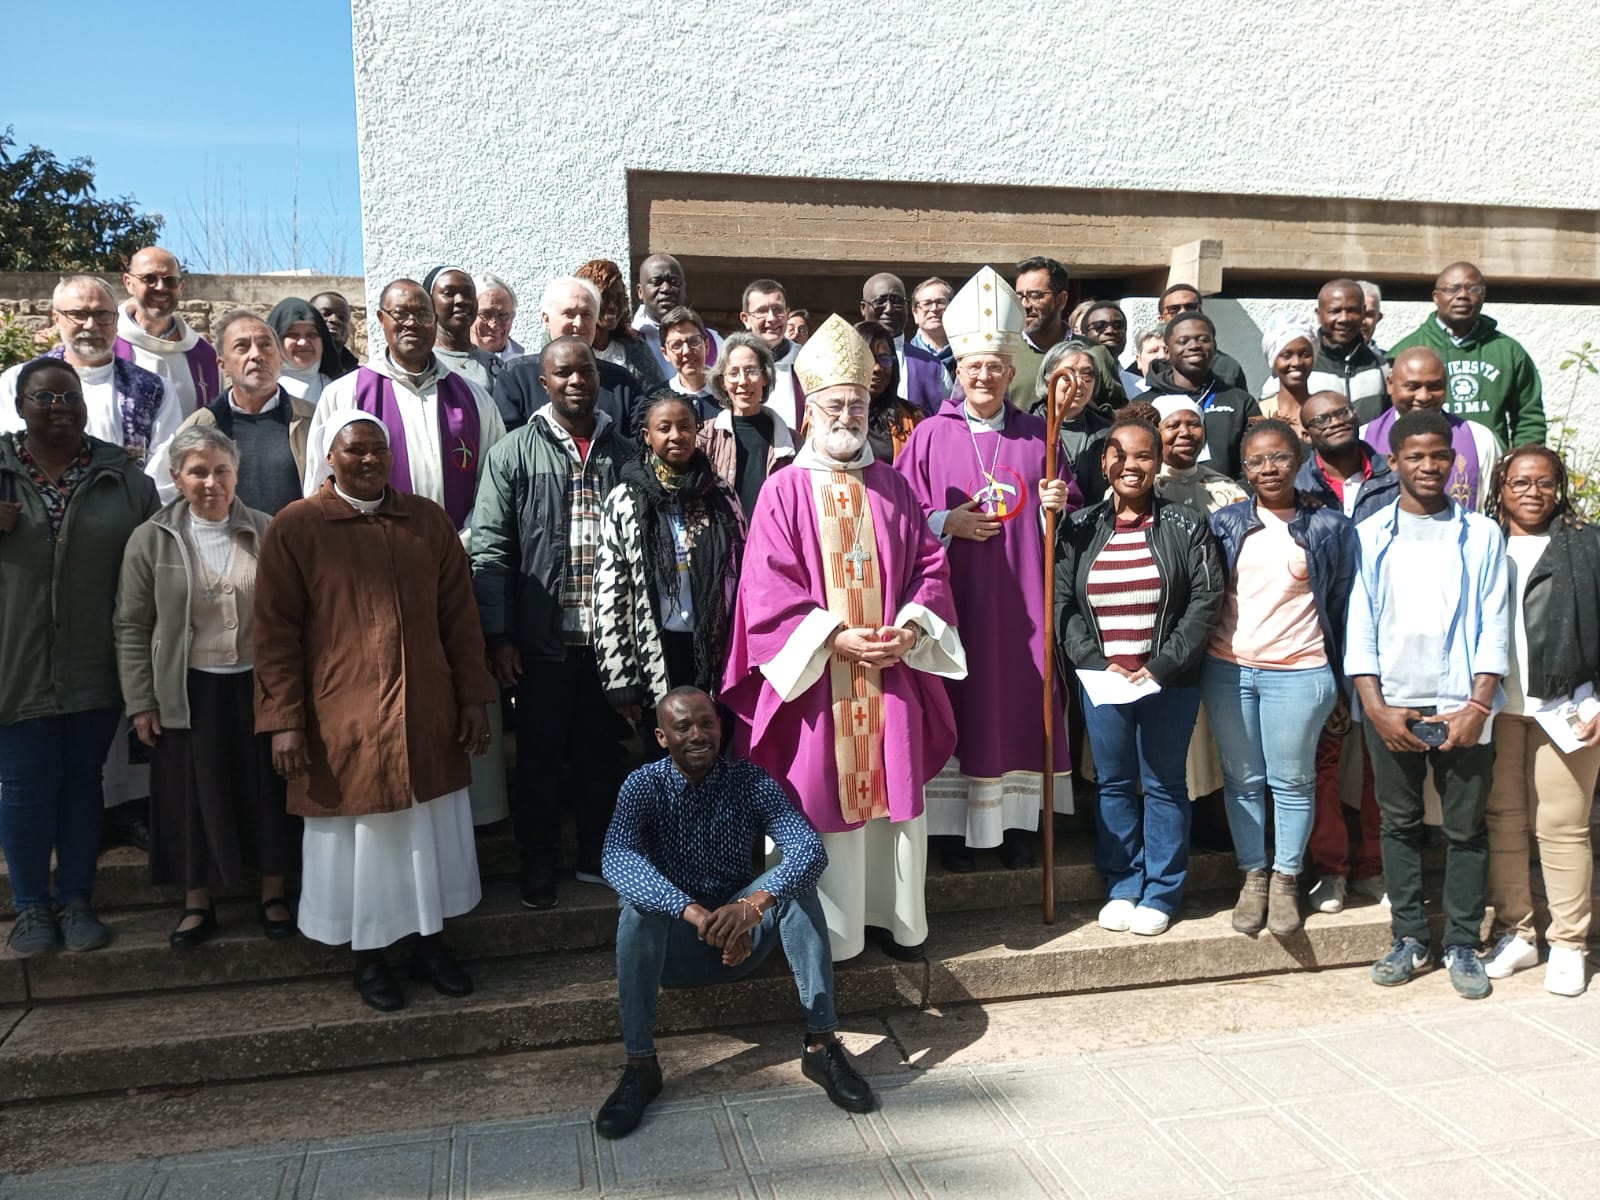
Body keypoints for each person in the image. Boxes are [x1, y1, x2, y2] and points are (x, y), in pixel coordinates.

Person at [722, 315, 966, 962]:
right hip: (818, 681)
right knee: (820, 796)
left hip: (889, 672)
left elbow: (930, 569)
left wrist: (911, 626)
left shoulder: (894, 485)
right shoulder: (783, 490)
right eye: (835, 405)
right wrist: (836, 638)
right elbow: (765, 590)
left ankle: (895, 922)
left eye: (858, 404)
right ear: (809, 412)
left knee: (893, 798)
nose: (848, 416)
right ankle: (829, 934)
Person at [254, 413, 497, 1011]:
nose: (369, 460)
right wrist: (283, 720)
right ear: (329, 457)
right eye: (355, 450)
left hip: (426, 711)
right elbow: (275, 634)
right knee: (363, 848)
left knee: (426, 838)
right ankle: (369, 958)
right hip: (343, 719)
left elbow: (460, 619)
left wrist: (473, 698)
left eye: (378, 450)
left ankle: (430, 946)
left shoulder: (426, 522)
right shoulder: (297, 527)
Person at [594, 687, 873, 1139]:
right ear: (662, 737)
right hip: (675, 948)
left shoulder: (750, 780)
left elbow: (808, 849)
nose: (698, 735)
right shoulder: (643, 785)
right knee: (636, 909)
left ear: (721, 728)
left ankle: (821, 1044)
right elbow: (617, 859)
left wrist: (751, 908)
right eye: (683, 727)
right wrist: (695, 914)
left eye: (707, 723)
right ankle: (640, 1064)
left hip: (744, 942)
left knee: (797, 885)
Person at [897, 266, 1079, 872]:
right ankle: (953, 830)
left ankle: (1018, 826)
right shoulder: (929, 436)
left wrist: (1058, 503)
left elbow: (1071, 509)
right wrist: (945, 521)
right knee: (960, 704)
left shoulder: (1039, 436)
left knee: (1021, 702)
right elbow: (896, 515)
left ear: (1010, 370)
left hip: (1023, 601)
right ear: (959, 369)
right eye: (973, 366)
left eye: (995, 367)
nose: (983, 376)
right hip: (957, 603)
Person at [0, 358, 160, 956]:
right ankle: (30, 908)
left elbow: (152, 571)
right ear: (20, 405)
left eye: (70, 397)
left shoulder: (123, 478)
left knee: (82, 783)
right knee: (23, 786)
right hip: (14, 662)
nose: (60, 408)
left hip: (95, 659)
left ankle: (76, 900)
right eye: (44, 398)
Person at [1347, 409, 1507, 999]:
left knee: (1465, 828)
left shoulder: (1481, 534)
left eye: (1439, 455)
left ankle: (1463, 941)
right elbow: (1359, 626)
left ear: (1454, 460)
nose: (1428, 465)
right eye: (1415, 456)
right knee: (1399, 823)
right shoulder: (1369, 535)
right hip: (1393, 704)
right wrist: (1375, 706)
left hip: (1462, 705)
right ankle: (1410, 936)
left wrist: (1477, 706)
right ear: (1394, 462)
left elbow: (1493, 622)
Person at [471, 336, 636, 909]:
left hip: (609, 643)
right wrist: (500, 635)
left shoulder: (627, 452)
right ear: (544, 383)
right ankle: (537, 862)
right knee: (539, 759)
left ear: (598, 377)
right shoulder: (513, 453)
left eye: (584, 371)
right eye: (562, 373)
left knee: (601, 756)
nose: (576, 381)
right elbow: (490, 548)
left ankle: (597, 856)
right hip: (541, 642)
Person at [115, 426, 292, 948]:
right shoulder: (151, 538)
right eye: (198, 472)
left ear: (237, 475)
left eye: (221, 470)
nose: (211, 482)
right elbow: (131, 625)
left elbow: (290, 618)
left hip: (257, 685)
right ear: (176, 478)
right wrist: (141, 701)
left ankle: (274, 893)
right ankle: (197, 903)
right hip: (187, 689)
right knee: (190, 796)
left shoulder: (267, 530)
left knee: (265, 790)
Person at [1055, 415, 1224, 937]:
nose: (1132, 465)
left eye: (1144, 455)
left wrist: (1162, 664)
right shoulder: (1079, 526)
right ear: (1105, 462)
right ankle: (1124, 883)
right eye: (1120, 455)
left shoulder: (1186, 524)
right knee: (1113, 784)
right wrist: (1094, 661)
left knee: (1165, 783)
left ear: (1159, 462)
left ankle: (1162, 890)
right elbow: (1062, 602)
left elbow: (1206, 600)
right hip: (1104, 680)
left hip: (1167, 680)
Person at [1204, 421, 1356, 936]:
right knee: (1242, 780)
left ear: (1299, 460)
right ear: (1243, 469)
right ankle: (1254, 875)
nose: (1268, 468)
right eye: (1256, 461)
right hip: (1229, 670)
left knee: (1292, 781)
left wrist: (1343, 682)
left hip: (1299, 672)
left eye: (1279, 458)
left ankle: (1287, 877)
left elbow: (1341, 604)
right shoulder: (1226, 523)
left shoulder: (1329, 526)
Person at [1480, 447, 1600, 996]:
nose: (1533, 492)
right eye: (1521, 482)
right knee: (1503, 820)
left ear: (1559, 488)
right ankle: (1518, 933)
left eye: (1545, 483)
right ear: (1500, 487)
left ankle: (1570, 944)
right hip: (1496, 706)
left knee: (1563, 826)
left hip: (1569, 706)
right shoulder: (1481, 542)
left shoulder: (1587, 544)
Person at [1294, 391, 1396, 914]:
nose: (1333, 423)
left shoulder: (1394, 479)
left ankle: (1376, 866)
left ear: (1356, 417)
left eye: (1340, 413)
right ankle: (1331, 870)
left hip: (1387, 642)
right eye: (1320, 420)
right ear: (1306, 433)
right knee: (1324, 763)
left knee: (1383, 761)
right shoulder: (1296, 486)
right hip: (1324, 641)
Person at [304, 279, 506, 532]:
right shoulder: (344, 394)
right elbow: (320, 484)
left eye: (423, 314)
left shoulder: (474, 398)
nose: (412, 323)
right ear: (381, 318)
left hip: (460, 547)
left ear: (435, 321)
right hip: (370, 546)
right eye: (400, 313)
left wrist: (467, 538)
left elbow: (495, 482)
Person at [595, 393, 747, 726]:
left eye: (685, 426)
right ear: (647, 435)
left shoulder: (721, 494)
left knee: (712, 742)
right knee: (665, 745)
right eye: (664, 428)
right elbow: (611, 593)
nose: (676, 435)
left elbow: (746, 576)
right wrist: (620, 677)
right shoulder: (624, 500)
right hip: (656, 650)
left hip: (716, 650)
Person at [0, 275, 180, 476]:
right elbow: (9, 455)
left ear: (116, 321)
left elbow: (164, 468)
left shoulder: (154, 388)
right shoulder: (18, 381)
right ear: (57, 319)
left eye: (102, 314)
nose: (91, 325)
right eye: (78, 314)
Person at [163, 310, 313, 516]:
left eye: (265, 345)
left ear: (280, 360)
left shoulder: (311, 420)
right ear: (222, 364)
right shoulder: (197, 427)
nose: (256, 355)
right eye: (242, 346)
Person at [1389, 261, 1545, 449]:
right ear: (1436, 297)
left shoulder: (1508, 351)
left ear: (1483, 296)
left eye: (1473, 289)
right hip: (1426, 459)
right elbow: (1388, 415)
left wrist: (1520, 458)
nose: (1462, 295)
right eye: (1452, 289)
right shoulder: (1407, 352)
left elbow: (1529, 416)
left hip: (1489, 460)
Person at [496, 276, 648, 433]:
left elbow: (639, 439)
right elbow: (508, 439)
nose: (579, 323)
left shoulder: (622, 383)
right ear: (546, 319)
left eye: (586, 314)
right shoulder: (517, 376)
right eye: (569, 314)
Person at [1361, 346, 1498, 511]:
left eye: (1434, 386)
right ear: (1390, 384)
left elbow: (1493, 508)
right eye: (1412, 386)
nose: (1424, 397)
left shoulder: (1479, 438)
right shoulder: (1363, 439)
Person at [1142, 313, 1260, 479]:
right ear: (1167, 350)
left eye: (1203, 339)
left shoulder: (1241, 402)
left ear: (1214, 345)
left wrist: (1232, 493)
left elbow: (1255, 461)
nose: (1194, 346)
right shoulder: (1145, 404)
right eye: (1183, 341)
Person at [698, 332, 796, 519]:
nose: (743, 381)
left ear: (765, 377)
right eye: (733, 373)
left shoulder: (792, 442)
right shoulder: (705, 437)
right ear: (723, 382)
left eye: (751, 371)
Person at [116, 246, 221, 415]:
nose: (160, 287)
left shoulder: (204, 356)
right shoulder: (108, 346)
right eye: (149, 278)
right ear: (129, 283)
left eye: (170, 280)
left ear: (181, 287)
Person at [1306, 279, 1389, 424]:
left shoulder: (1381, 366)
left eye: (1352, 310)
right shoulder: (1303, 365)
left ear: (1363, 312)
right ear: (1319, 314)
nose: (1344, 319)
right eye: (1335, 311)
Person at [575, 260, 665, 387]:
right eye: (605, 297)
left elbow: (659, 394)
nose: (613, 306)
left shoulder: (636, 349)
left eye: (619, 298)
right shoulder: (566, 347)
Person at [633, 253, 721, 370]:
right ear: (640, 291)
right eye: (656, 282)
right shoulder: (627, 341)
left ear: (685, 289)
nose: (666, 288)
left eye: (674, 281)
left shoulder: (713, 340)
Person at [1155, 285, 1248, 393]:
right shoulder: (1149, 363)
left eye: (1191, 307)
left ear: (1200, 311)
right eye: (1174, 309)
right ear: (1161, 319)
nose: (1183, 312)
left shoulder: (1226, 366)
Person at [424, 267, 500, 397]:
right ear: (429, 302)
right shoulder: (421, 361)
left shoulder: (494, 364)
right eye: (448, 293)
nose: (461, 300)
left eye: (467, 293)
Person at [857, 320, 924, 463]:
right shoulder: (829, 415)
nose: (877, 368)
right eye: (868, 359)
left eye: (884, 359)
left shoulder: (913, 418)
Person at [738, 279, 802, 424]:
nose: (771, 318)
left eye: (778, 309)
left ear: (787, 313)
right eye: (761, 311)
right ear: (746, 319)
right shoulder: (732, 364)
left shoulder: (807, 360)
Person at [1010, 257, 1071, 408]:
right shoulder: (1005, 352)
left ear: (1061, 300)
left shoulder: (1094, 353)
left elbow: (1116, 413)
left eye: (1035, 295)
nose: (1024, 304)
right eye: (1019, 296)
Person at [267, 298, 344, 408]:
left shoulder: (339, 390)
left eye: (312, 335)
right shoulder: (258, 389)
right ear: (276, 340)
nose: (303, 342)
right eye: (293, 334)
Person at [1257, 313, 1319, 437]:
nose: (1297, 362)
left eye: (1304, 354)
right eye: (1286, 356)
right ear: (1273, 361)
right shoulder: (1260, 413)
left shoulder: (1323, 410)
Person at [655, 306, 721, 422]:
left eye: (694, 341)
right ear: (665, 353)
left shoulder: (728, 391)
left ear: (706, 346)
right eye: (676, 345)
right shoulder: (657, 401)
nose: (686, 351)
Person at [906, 277, 956, 415]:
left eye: (940, 303)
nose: (934, 309)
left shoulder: (967, 355)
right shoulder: (905, 358)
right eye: (927, 304)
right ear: (915, 313)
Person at [857, 273, 910, 401]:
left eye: (896, 301)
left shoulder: (932, 367)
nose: (889, 309)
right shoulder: (843, 357)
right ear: (863, 308)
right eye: (880, 301)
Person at [1081, 301, 1141, 399]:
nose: (1110, 331)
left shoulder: (1142, 388)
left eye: (1118, 325)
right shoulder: (1073, 383)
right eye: (1100, 326)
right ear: (1084, 335)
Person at [471, 273, 526, 363]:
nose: (494, 325)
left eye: (503, 316)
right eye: (486, 314)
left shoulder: (527, 366)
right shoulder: (449, 364)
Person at [309, 291, 362, 375]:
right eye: (325, 314)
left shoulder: (359, 376)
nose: (335, 320)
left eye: (342, 317)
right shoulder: (289, 374)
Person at [1129, 324, 1165, 392]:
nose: (1162, 356)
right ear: (1139, 360)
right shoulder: (1130, 392)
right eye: (1153, 351)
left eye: (1167, 350)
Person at [1356, 280, 1385, 357]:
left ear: (1378, 318)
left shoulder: (1390, 362)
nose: (1362, 322)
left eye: (1368, 314)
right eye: (1357, 313)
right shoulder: (1326, 360)